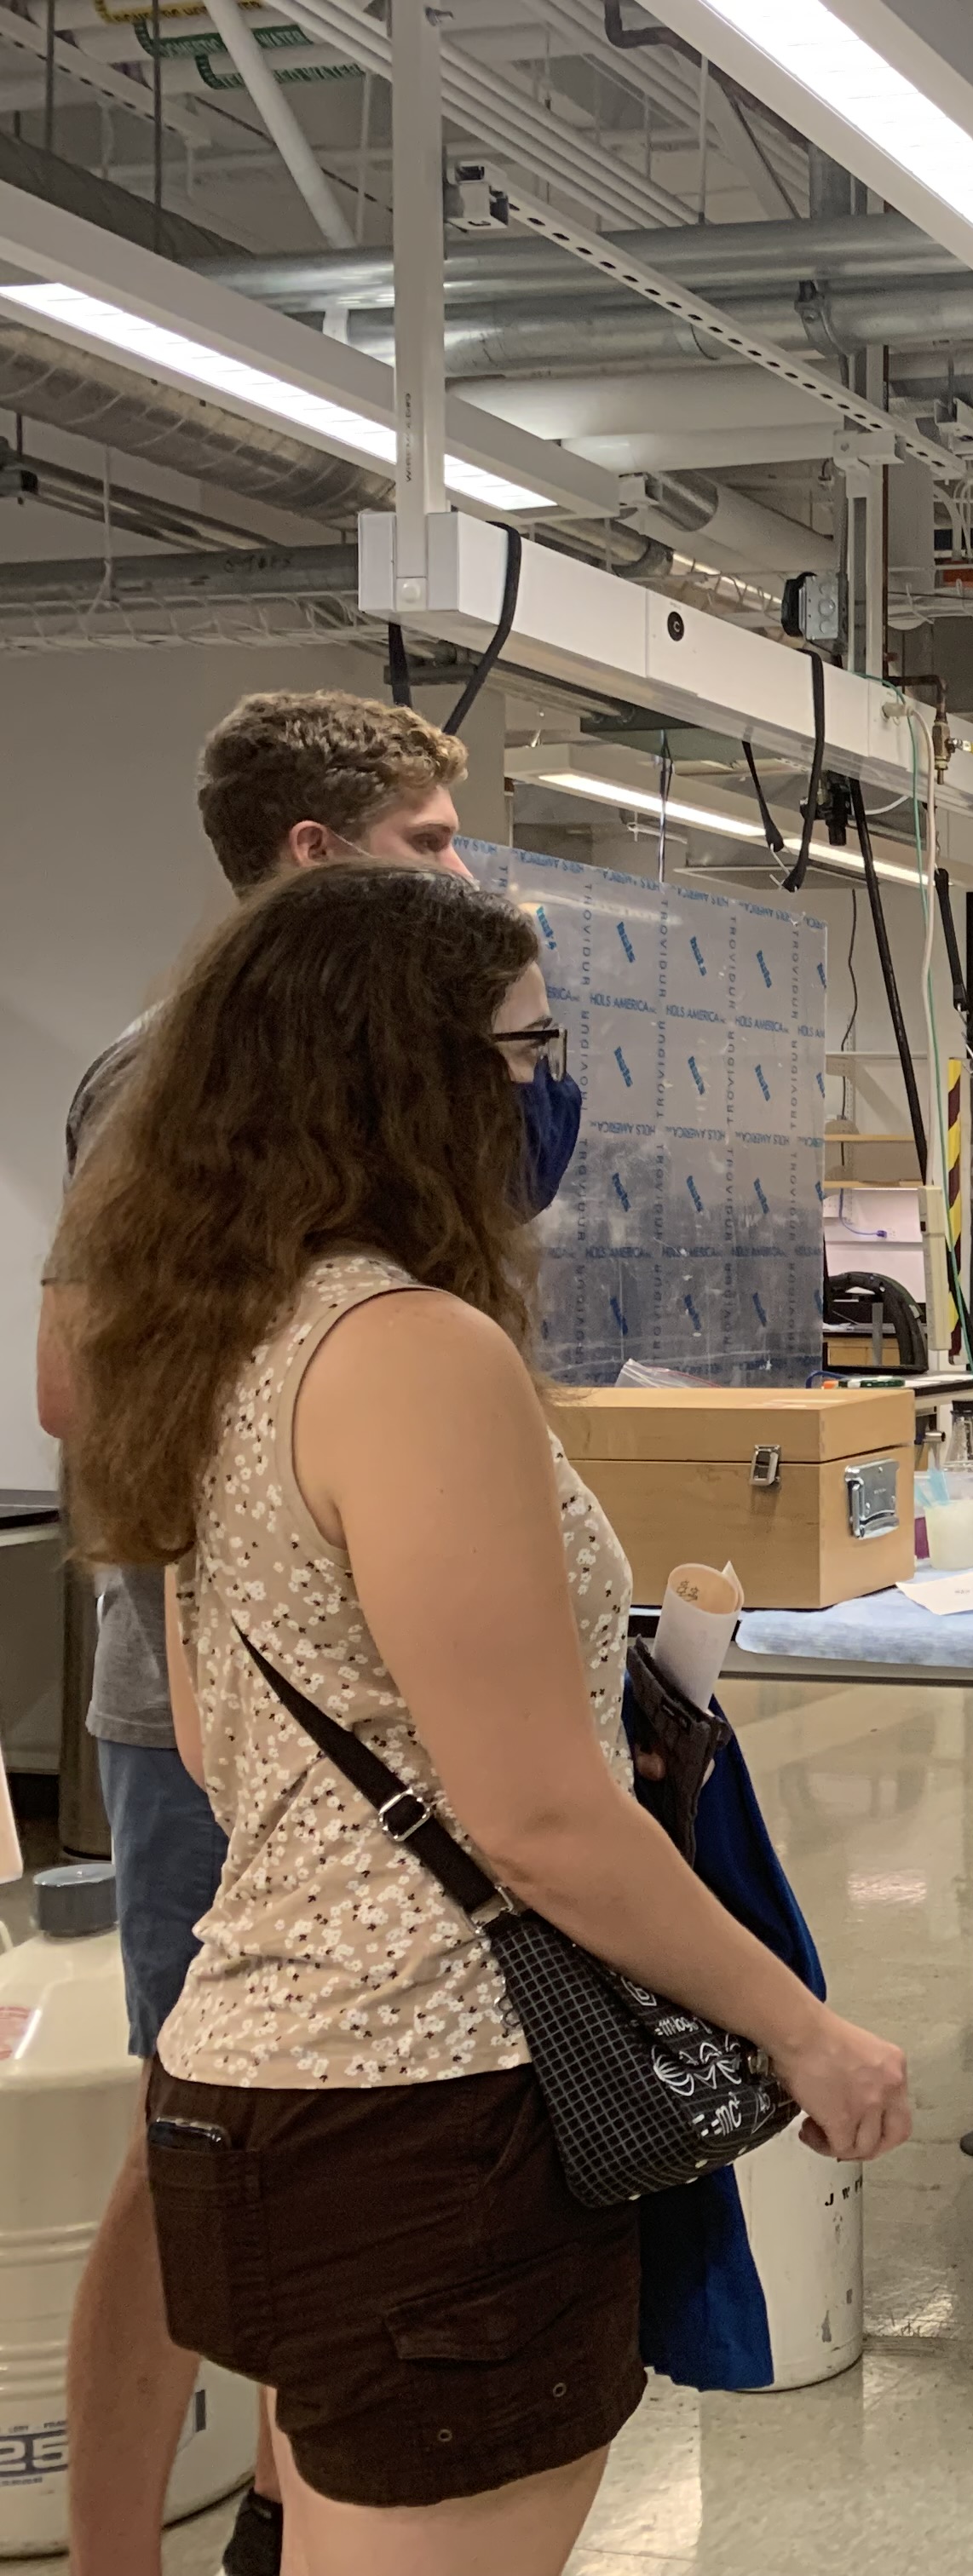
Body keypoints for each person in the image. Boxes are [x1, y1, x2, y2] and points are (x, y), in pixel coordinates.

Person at [56, 862, 913, 2576]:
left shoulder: (200, 1335)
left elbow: (234, 1756)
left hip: (252, 2086)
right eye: (523, 1052)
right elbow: (535, 1822)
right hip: (437, 2115)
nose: (548, 1092)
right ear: (402, 1073)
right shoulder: (411, 1353)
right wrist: (803, 2028)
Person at [47, 688, 477, 2576]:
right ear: (318, 856)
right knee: (191, 2151)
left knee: (340, 2155)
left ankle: (299, 2515)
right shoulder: (167, 1075)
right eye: (431, 844)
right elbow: (81, 1390)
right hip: (205, 1706)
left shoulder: (397, 1079)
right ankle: (129, 2547)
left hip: (375, 1706)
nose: (461, 871)